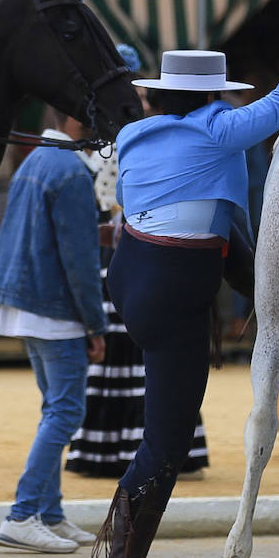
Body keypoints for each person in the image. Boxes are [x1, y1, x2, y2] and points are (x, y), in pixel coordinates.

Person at [91, 4, 279, 558]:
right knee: (167, 439)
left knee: (226, 237)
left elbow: (207, 222)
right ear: (213, 98)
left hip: (131, 274)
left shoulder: (133, 133)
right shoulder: (216, 129)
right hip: (172, 284)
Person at [65, 44, 210, 480]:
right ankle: (141, 448)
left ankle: (139, 449)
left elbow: (117, 205)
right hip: (123, 253)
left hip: (125, 252)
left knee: (133, 352)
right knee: (127, 354)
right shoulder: (122, 140)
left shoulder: (136, 139)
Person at [0, 112, 108, 554]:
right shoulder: (70, 169)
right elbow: (80, 259)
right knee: (65, 413)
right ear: (76, 119)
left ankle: (49, 513)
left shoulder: (37, 159)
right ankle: (21, 515)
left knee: (54, 409)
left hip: (25, 301)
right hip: (55, 307)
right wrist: (96, 324)